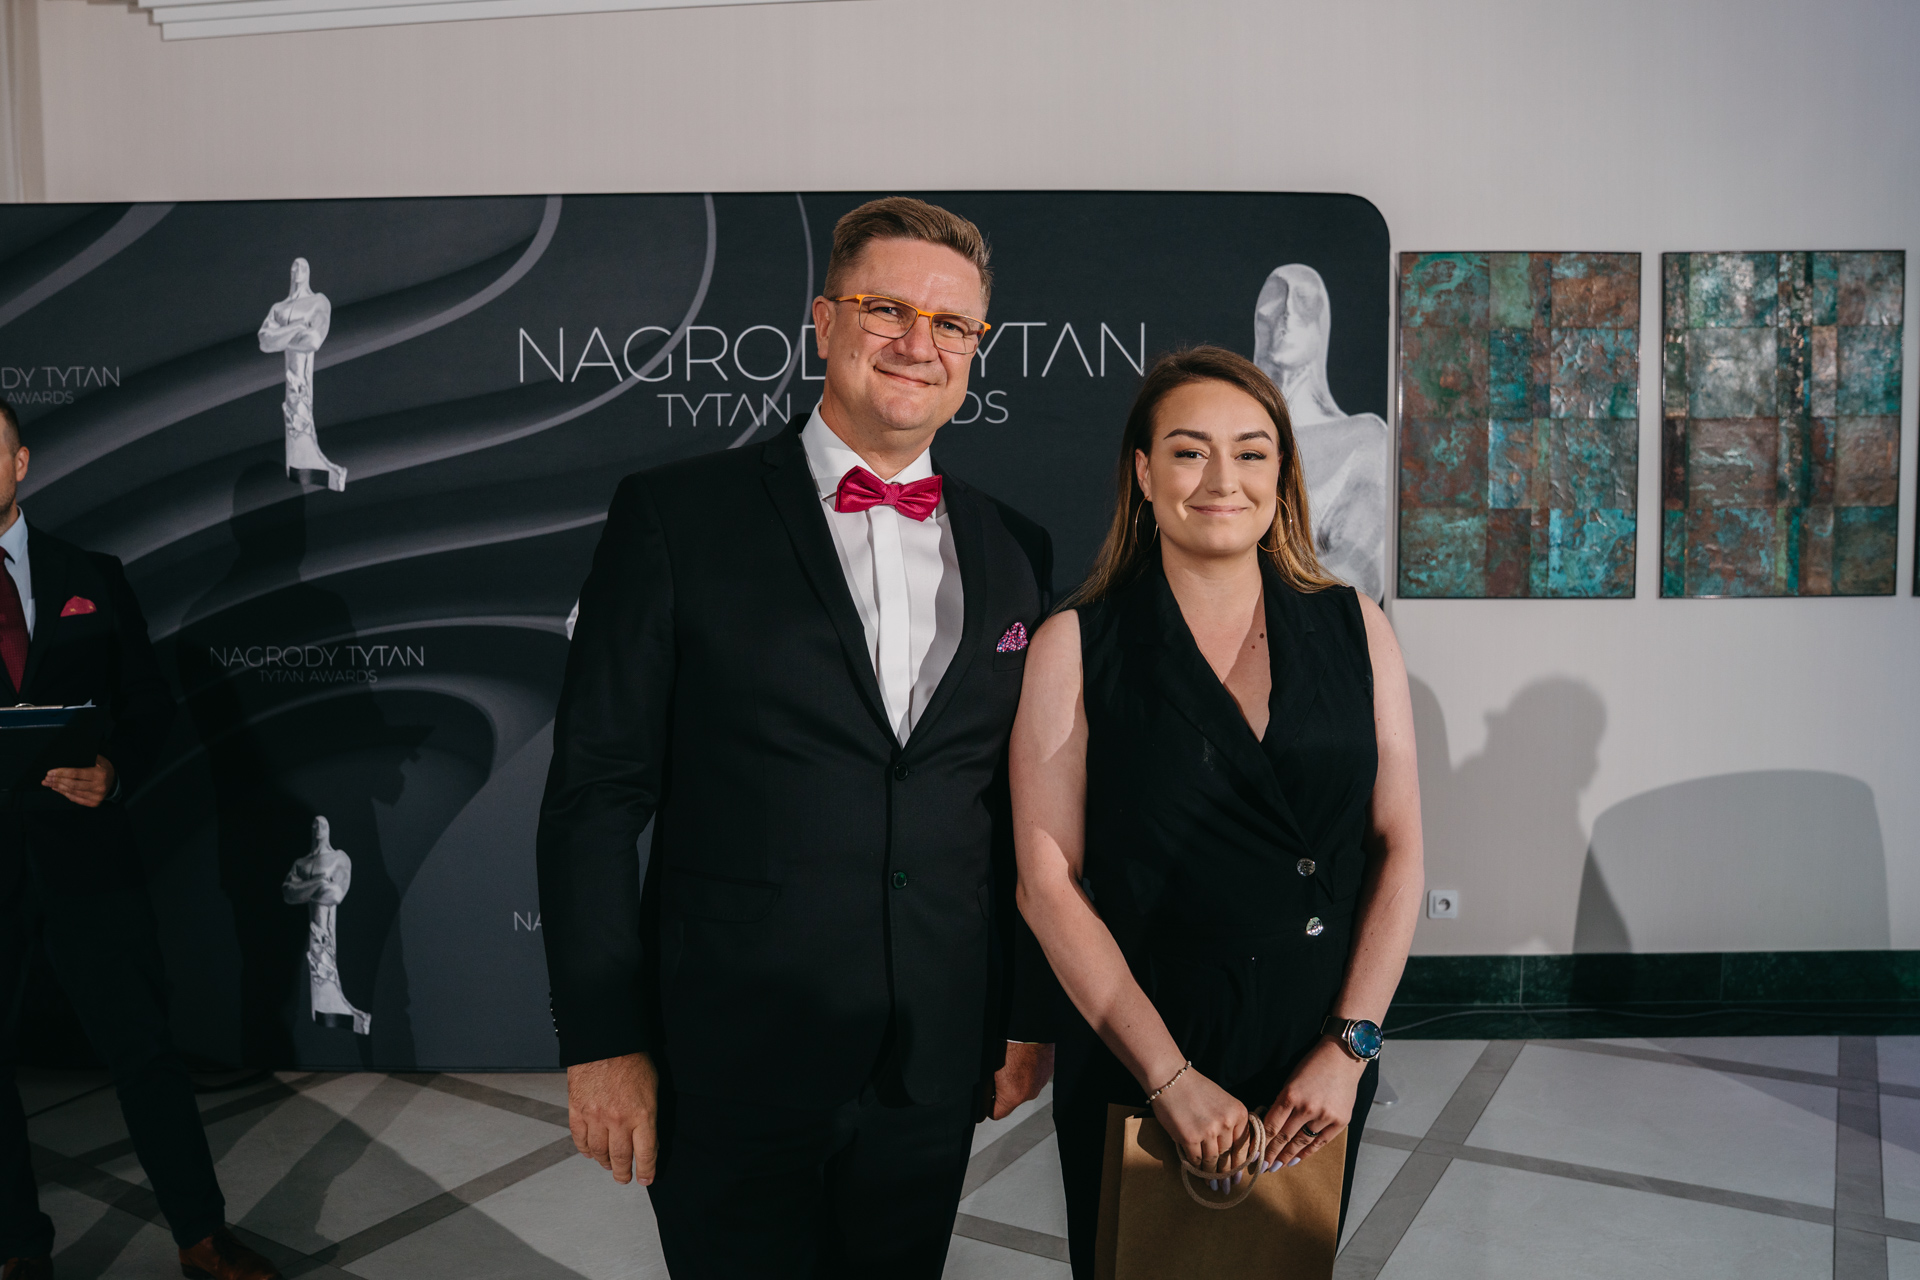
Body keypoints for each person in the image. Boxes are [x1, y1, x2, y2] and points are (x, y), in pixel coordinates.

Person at [538, 197, 1057, 1279]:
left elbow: (1014, 807)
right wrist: (602, 1039)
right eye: (886, 309)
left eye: (951, 324)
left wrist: (1023, 1014)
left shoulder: (1017, 546)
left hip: (931, 1057)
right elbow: (597, 794)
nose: (918, 343)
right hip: (731, 1054)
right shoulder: (675, 517)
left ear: (977, 348)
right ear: (824, 321)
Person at [1010, 347, 1423, 1277]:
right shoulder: (1078, 642)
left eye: (1251, 452)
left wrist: (1350, 1048)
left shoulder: (1358, 627)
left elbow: (1400, 847)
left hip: (1315, 1053)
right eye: (1190, 451)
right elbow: (1046, 882)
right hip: (1144, 1037)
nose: (1222, 479)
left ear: (1283, 474)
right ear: (1143, 473)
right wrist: (1169, 1078)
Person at [0, 401, 283, 1280]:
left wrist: (114, 770)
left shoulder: (91, 573)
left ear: (20, 463)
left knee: (146, 1052)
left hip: (89, 858)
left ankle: (201, 1235)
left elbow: (149, 703)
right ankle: (18, 1249)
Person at [1253, 264, 1390, 601]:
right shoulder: (1227, 434)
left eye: (1302, 303)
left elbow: (1361, 569)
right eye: (1272, 307)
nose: (1286, 315)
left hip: (1313, 624)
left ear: (1321, 325)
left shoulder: (1364, 437)